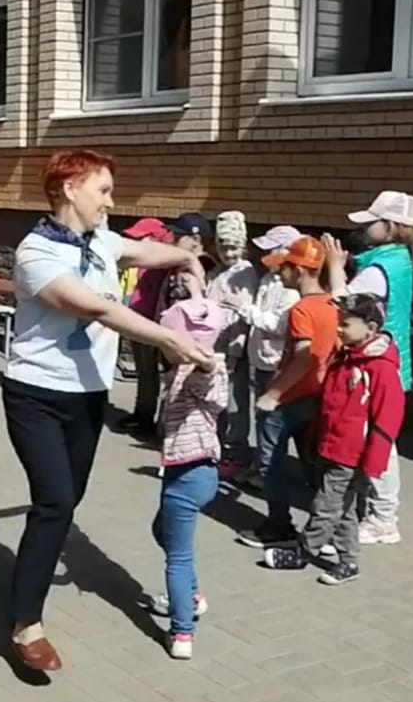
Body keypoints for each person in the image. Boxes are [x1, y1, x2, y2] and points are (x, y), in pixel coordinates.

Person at [2, 150, 213, 672]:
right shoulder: (36, 252)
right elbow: (95, 307)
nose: (111, 202)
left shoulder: (101, 240)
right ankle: (25, 624)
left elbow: (142, 251)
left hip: (89, 396)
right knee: (54, 502)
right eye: (103, 191)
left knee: (67, 501)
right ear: (69, 189)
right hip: (36, 395)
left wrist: (185, 258)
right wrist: (169, 339)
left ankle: (33, 573)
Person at [262, 294, 403, 586]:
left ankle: (303, 552)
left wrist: (374, 461)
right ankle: (348, 562)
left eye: (345, 324)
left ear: (371, 328)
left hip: (352, 454)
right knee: (344, 510)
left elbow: (387, 418)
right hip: (331, 446)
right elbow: (329, 403)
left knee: (325, 506)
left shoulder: (380, 368)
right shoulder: (345, 357)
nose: (338, 329)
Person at [322, 190, 413, 546]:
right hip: (390, 361)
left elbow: (344, 304)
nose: (364, 228)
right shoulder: (398, 259)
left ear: (391, 227)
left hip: (377, 366)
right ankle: (377, 510)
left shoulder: (380, 268)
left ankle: (383, 519)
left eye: (372, 222)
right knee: (380, 437)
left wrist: (335, 268)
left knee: (379, 440)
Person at [238, 236, 339, 549]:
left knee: (270, 463)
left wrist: (273, 394)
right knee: (314, 465)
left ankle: (278, 525)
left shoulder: (302, 310)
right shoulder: (332, 305)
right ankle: (327, 530)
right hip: (317, 395)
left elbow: (305, 357)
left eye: (285, 267)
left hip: (290, 397)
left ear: (300, 270)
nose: (279, 273)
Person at [150, 272, 228, 661]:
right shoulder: (181, 367)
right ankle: (192, 596)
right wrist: (195, 291)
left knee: (178, 558)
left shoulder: (205, 370)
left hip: (190, 474)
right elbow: (200, 317)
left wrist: (200, 356)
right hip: (187, 472)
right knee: (160, 531)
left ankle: (183, 630)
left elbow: (207, 379)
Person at [221, 225, 302, 482]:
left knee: (271, 421)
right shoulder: (268, 279)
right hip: (260, 358)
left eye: (271, 251)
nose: (265, 257)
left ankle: (269, 473)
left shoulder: (290, 290)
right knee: (261, 417)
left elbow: (278, 325)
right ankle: (259, 465)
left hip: (276, 361)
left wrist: (245, 310)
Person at [205, 211, 260, 466]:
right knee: (216, 398)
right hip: (213, 345)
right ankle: (217, 443)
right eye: (224, 248)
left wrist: (234, 353)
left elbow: (241, 317)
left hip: (232, 348)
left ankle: (236, 449)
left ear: (243, 247)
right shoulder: (217, 272)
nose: (228, 254)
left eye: (234, 248)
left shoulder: (245, 274)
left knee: (234, 401)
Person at [117, 217, 172, 437]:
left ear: (156, 239)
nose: (135, 242)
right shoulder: (142, 264)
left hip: (150, 324)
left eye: (141, 238)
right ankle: (140, 413)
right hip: (136, 320)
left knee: (150, 374)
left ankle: (147, 420)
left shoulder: (160, 265)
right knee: (143, 373)